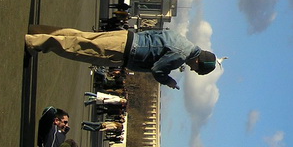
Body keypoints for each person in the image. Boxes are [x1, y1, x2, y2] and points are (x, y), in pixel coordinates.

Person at [20, 25, 217, 90]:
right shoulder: (180, 56)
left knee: (83, 37)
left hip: (127, 36)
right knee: (78, 49)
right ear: (198, 62)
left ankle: (39, 31)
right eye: (196, 69)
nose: (192, 70)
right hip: (123, 52)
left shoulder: (182, 40)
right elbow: (158, 70)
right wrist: (169, 81)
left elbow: (155, 32)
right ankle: (36, 42)